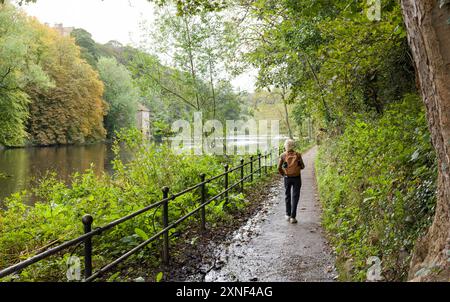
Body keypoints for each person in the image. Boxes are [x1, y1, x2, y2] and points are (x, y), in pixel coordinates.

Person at [278, 139, 305, 224]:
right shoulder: (298, 155)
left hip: (287, 178)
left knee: (287, 195)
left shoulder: (282, 155)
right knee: (295, 197)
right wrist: (297, 167)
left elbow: (278, 168)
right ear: (293, 146)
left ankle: (287, 214)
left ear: (285, 146)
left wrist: (284, 174)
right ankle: (293, 217)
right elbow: (303, 166)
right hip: (297, 178)